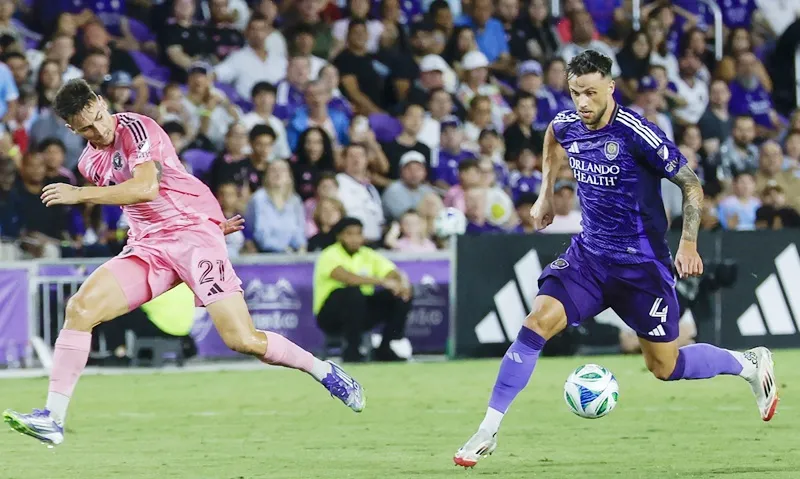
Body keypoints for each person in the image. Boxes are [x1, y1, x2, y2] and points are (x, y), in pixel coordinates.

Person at [453, 50, 778, 469]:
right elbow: (553, 136)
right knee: (536, 324)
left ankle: (748, 363)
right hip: (589, 258)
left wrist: (689, 243)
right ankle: (488, 429)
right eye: (575, 93)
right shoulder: (569, 124)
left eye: (590, 92)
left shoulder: (637, 133)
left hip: (641, 269)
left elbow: (691, 183)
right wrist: (545, 193)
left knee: (665, 366)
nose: (582, 103)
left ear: (610, 87)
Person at [3, 79, 366, 447]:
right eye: (86, 127)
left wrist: (80, 195)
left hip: (193, 238)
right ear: (71, 129)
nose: (99, 129)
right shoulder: (88, 161)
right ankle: (53, 418)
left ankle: (325, 372)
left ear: (101, 101)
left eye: (99, 117)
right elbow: (136, 202)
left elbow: (147, 188)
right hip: (149, 245)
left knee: (243, 340)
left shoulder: (137, 127)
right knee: (80, 309)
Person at [314, 217, 412, 362]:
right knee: (352, 293)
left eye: (358, 234)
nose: (355, 239)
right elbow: (348, 278)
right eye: (349, 234)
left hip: (361, 312)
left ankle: (386, 347)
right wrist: (383, 281)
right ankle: (352, 350)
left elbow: (392, 271)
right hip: (331, 315)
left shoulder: (367, 254)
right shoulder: (329, 254)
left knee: (398, 296)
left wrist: (401, 284)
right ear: (339, 236)